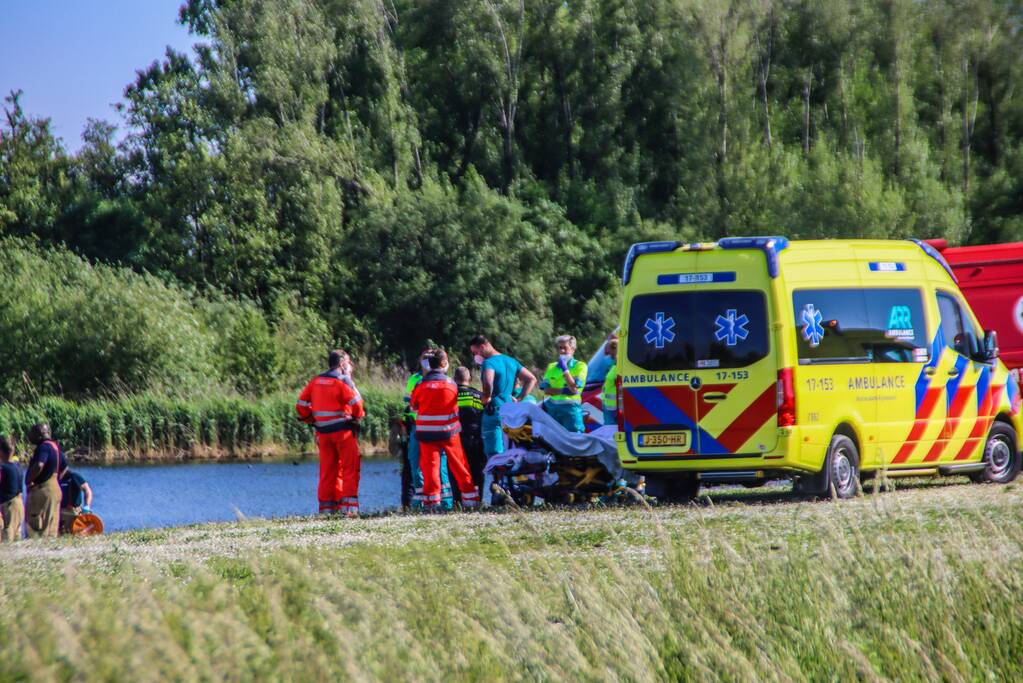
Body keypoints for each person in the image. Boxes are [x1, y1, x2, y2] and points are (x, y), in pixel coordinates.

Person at [296, 350, 366, 516]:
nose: (350, 365)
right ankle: (349, 508)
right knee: (350, 468)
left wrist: (310, 419)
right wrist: (356, 418)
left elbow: (300, 405)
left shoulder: (316, 381)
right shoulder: (343, 381)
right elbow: (357, 405)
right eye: (348, 362)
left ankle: (327, 509)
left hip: (323, 433)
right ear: (342, 364)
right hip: (343, 432)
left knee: (327, 471)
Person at [409, 350, 480, 509]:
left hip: (426, 434)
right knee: (460, 466)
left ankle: (432, 503)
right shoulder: (451, 384)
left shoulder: (420, 385)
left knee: (430, 468)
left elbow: (414, 406)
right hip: (449, 432)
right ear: (443, 364)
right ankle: (470, 501)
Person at [470, 335, 537, 459]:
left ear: (483, 347)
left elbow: (488, 382)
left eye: (475, 352)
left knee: (493, 451)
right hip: (510, 411)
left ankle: (495, 476)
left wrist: (486, 397)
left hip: (493, 410)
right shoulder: (511, 361)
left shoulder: (488, 362)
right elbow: (531, 379)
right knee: (510, 447)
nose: (475, 356)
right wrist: (520, 399)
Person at [403, 348, 454, 510]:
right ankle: (421, 500)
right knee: (416, 461)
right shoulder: (415, 379)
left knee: (439, 464)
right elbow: (408, 404)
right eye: (424, 358)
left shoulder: (445, 380)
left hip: (437, 427)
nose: (427, 361)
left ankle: (444, 501)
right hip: (418, 427)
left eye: (429, 358)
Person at [24, 423, 65, 538]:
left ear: (39, 434)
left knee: (36, 525)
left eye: (32, 433)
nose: (30, 436)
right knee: (51, 526)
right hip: (55, 488)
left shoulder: (44, 447)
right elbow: (64, 468)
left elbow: (39, 464)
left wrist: (28, 479)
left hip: (44, 490)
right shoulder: (55, 447)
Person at [540, 335, 588, 433]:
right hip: (553, 410)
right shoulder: (552, 366)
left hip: (571, 410)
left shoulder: (581, 366)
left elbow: (574, 389)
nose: (561, 351)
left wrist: (565, 370)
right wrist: (565, 390)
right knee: (554, 440)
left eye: (565, 348)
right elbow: (546, 390)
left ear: (573, 349)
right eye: (560, 348)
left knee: (575, 439)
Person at [454, 366, 486, 491]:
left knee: (457, 471)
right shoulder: (478, 396)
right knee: (477, 472)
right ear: (470, 379)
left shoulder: (451, 395)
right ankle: (477, 500)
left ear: (454, 378)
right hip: (476, 439)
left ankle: (458, 501)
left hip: (457, 439)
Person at [0, 437, 24, 542]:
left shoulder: (3, 468)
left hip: (9, 505)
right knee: (17, 532)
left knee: (8, 532)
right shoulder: (17, 466)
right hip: (19, 502)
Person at [58, 466, 93, 533]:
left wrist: (87, 506)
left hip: (73, 511)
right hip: (58, 511)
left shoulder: (74, 477)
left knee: (74, 533)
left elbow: (87, 490)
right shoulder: (54, 478)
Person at [602, 333, 619, 426]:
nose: (609, 355)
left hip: (615, 407)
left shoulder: (619, 368)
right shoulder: (612, 365)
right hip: (609, 406)